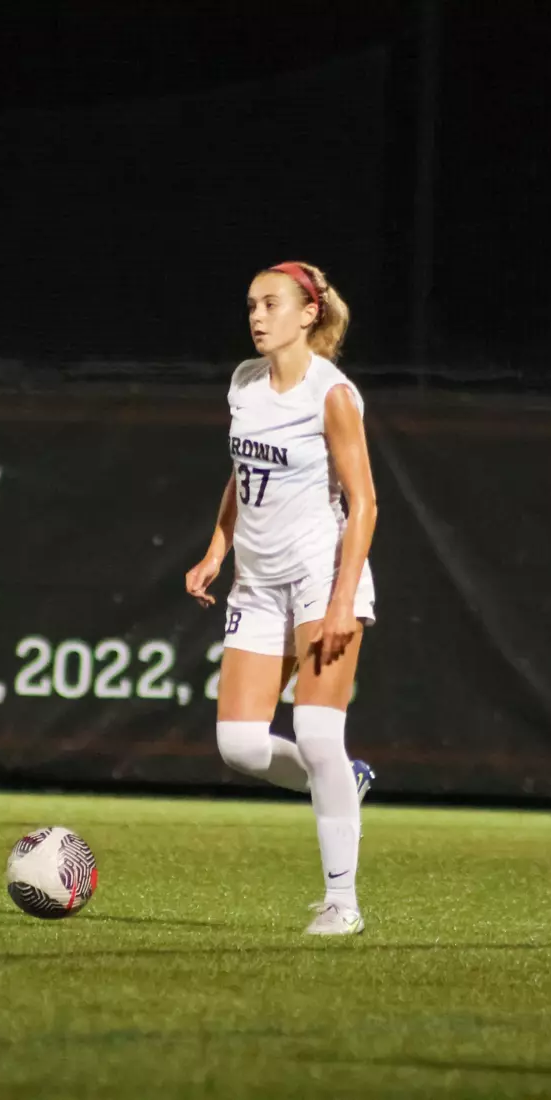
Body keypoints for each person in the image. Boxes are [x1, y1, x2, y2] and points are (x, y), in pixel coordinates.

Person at [185, 261, 378, 936]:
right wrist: (217, 549)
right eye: (250, 305)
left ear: (308, 315)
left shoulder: (332, 394)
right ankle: (341, 784)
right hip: (258, 583)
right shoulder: (244, 383)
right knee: (239, 746)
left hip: (322, 577)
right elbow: (243, 475)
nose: (257, 316)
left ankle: (342, 902)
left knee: (319, 734)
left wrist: (342, 600)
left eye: (270, 304)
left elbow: (365, 503)